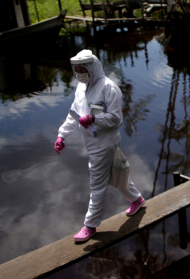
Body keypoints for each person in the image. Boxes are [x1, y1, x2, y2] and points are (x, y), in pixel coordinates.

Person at [54, 50, 146, 243]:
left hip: (105, 143)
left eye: (82, 69)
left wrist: (95, 118)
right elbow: (74, 115)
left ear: (92, 67)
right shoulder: (81, 87)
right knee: (114, 173)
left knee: (97, 183)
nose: (79, 73)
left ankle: (90, 225)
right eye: (76, 70)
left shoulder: (108, 88)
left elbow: (116, 118)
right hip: (91, 142)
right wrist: (62, 135)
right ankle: (136, 200)